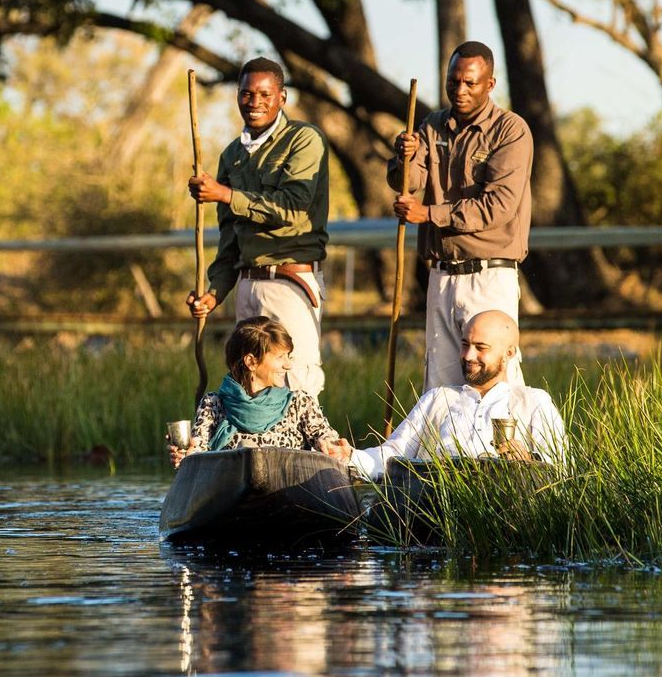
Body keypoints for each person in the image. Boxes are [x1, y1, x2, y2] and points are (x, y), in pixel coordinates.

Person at [388, 40, 532, 391]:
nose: (460, 90)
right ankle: (444, 448)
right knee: (440, 383)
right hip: (442, 275)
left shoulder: (510, 130)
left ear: (490, 84)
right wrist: (402, 155)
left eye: (470, 83)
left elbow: (498, 205)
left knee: (494, 381)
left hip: (489, 275)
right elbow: (407, 181)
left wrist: (429, 214)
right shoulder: (431, 125)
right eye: (454, 82)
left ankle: (510, 448)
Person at [186, 57, 331, 396]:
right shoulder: (231, 155)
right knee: (247, 385)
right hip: (247, 286)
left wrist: (225, 194)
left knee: (294, 383)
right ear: (238, 96)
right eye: (247, 94)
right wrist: (214, 292)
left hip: (290, 282)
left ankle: (304, 451)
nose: (255, 103)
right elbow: (229, 237)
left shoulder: (304, 139)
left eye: (265, 94)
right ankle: (252, 451)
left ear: (282, 97)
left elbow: (293, 209)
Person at [348, 309, 565, 478]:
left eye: (481, 347)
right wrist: (350, 456)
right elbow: (393, 454)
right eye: (465, 344)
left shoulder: (533, 401)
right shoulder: (438, 398)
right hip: (437, 511)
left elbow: (561, 469)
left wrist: (527, 461)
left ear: (509, 353)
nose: (468, 355)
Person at [168, 317, 352, 467]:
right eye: (280, 357)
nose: (288, 365)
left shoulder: (299, 403)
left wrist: (332, 446)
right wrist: (186, 454)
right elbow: (198, 449)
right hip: (230, 495)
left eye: (289, 356)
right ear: (251, 362)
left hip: (286, 495)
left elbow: (323, 435)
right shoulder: (213, 403)